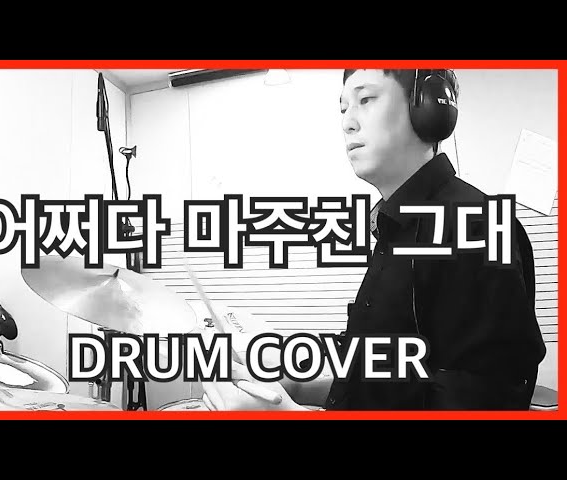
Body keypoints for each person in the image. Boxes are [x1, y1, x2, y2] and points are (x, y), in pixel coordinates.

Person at [201, 69, 547, 411]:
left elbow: (485, 401)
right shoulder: (395, 227)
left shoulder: (475, 224)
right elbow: (384, 381)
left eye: (366, 100)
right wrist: (292, 384)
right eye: (343, 109)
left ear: (428, 108)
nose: (347, 123)